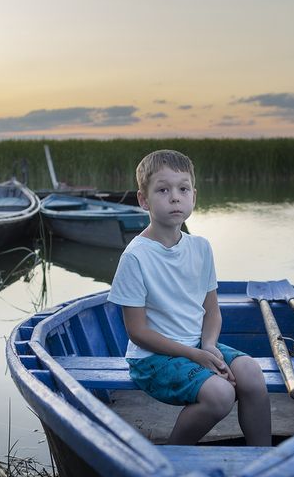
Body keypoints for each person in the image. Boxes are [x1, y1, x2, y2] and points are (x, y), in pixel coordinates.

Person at [108, 150, 272, 446]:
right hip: (151, 359)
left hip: (197, 345)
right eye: (163, 190)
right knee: (221, 394)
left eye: (183, 189)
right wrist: (194, 355)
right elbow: (137, 332)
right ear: (143, 200)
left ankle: (264, 458)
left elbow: (212, 311)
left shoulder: (201, 248)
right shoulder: (135, 257)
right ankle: (173, 456)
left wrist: (208, 345)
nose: (175, 198)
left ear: (193, 196)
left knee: (251, 373)